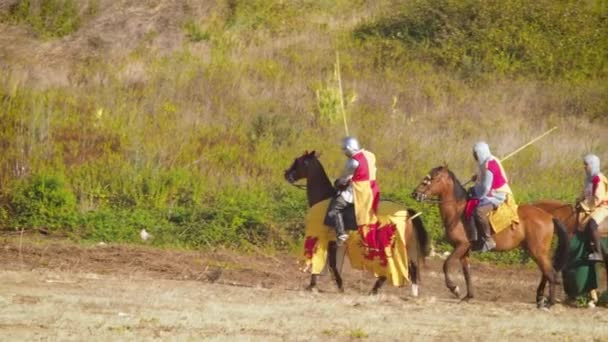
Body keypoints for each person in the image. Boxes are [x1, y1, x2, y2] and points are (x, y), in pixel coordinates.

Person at [326, 136, 380, 245]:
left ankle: (341, 234)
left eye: (345, 150)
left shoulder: (352, 162)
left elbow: (343, 180)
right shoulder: (370, 155)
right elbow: (364, 171)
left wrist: (337, 183)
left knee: (335, 209)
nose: (344, 152)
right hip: (373, 189)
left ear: (349, 148)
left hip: (359, 191)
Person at [468, 141, 513, 252]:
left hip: (497, 194)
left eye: (476, 154)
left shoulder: (489, 165)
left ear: (480, 153)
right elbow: (483, 178)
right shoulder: (485, 162)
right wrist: (477, 177)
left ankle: (488, 240)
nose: (475, 157)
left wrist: (476, 195)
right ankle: (474, 237)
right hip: (490, 191)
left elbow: (486, 187)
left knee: (479, 211)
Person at [577, 154, 608, 262]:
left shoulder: (598, 178)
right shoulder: (588, 179)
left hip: (602, 207)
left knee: (592, 224)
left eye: (586, 165)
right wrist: (579, 200)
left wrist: (584, 205)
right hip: (592, 206)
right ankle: (589, 247)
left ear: (593, 165)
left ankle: (598, 253)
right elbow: (585, 193)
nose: (584, 167)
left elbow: (598, 198)